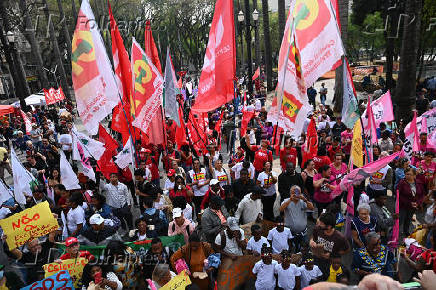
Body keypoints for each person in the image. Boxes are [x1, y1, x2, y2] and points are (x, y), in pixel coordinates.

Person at [310, 212, 350, 279]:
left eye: (322, 223)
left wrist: (332, 254)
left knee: (327, 277)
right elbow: (313, 237)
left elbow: (347, 250)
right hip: (317, 259)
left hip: (330, 263)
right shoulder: (317, 229)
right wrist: (311, 241)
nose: (319, 224)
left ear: (329, 226)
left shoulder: (340, 238)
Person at [280, 185, 314, 252]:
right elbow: (281, 209)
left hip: (303, 233)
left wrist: (305, 200)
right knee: (290, 250)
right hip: (290, 233)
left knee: (303, 250)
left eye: (298, 193)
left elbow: (312, 208)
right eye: (294, 193)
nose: (296, 195)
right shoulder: (286, 201)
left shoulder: (303, 202)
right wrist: (290, 199)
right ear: (290, 193)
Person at [398, 167, 427, 236]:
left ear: (414, 175)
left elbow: (422, 194)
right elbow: (399, 195)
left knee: (408, 219)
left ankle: (406, 231)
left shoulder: (419, 183)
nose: (407, 176)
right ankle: (394, 233)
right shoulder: (402, 183)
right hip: (403, 206)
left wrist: (418, 203)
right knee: (400, 220)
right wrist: (409, 203)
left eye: (410, 174)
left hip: (413, 206)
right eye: (406, 174)